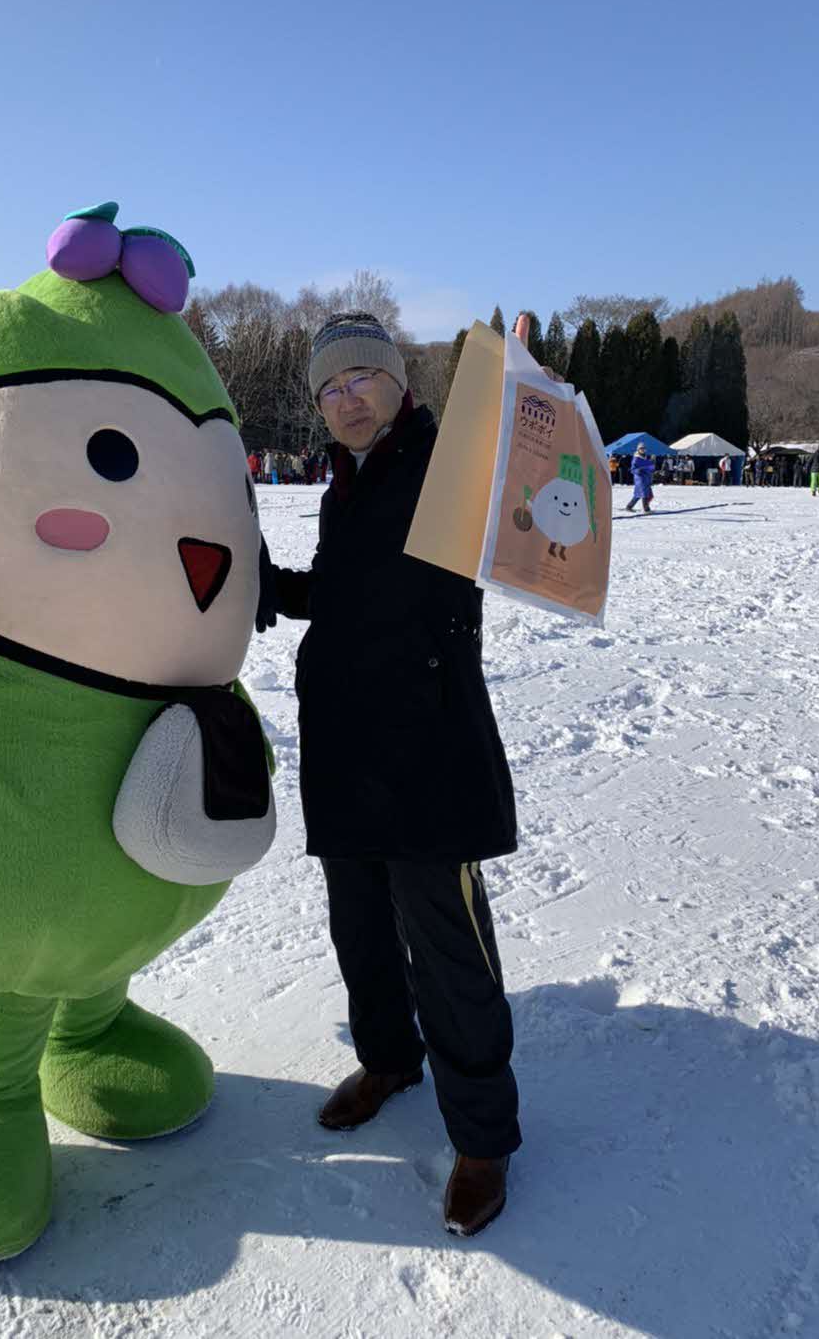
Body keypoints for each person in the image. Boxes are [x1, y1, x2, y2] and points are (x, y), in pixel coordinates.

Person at [257, 310, 521, 1239]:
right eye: (328, 388)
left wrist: (515, 385)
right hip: (344, 744)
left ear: (398, 382)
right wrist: (270, 584)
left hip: (428, 751)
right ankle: (388, 1059)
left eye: (359, 378)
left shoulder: (449, 461)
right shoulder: (344, 485)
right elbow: (345, 595)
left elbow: (509, 487)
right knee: (359, 926)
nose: (344, 398)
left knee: (447, 949)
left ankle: (484, 1138)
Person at [625, 442, 655, 513]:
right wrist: (638, 470)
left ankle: (629, 506)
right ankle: (646, 509)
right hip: (640, 479)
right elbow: (632, 469)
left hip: (646, 478)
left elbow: (650, 467)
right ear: (638, 450)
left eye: (644, 449)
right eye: (641, 449)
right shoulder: (636, 459)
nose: (643, 450)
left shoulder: (645, 458)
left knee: (638, 494)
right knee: (644, 493)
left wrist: (652, 461)